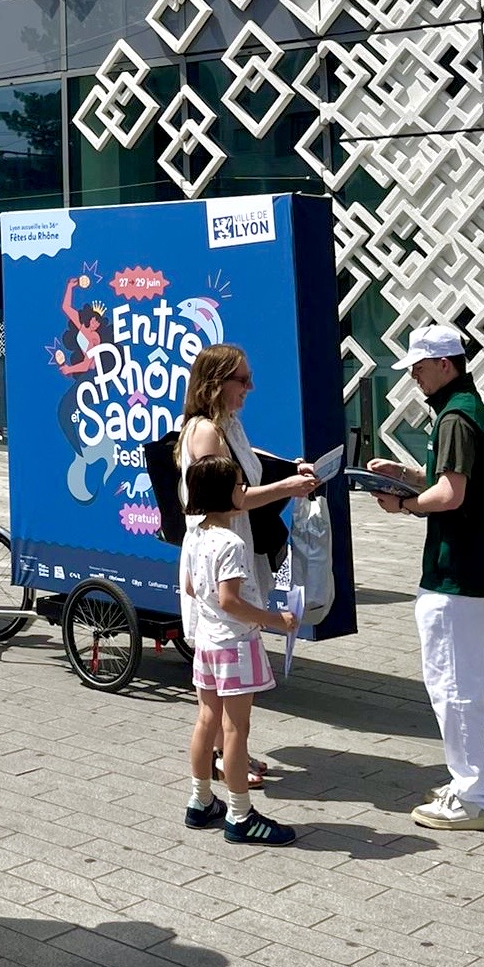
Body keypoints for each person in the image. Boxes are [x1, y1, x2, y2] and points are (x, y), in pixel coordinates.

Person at [369, 324, 484, 832]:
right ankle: (483, 786)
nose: (413, 377)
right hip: (482, 568)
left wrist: (403, 503)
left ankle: (473, 796)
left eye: (419, 368)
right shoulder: (470, 409)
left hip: (456, 572)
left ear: (445, 364)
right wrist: (407, 475)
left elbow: (449, 495)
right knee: (478, 685)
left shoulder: (454, 416)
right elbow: (453, 482)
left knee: (454, 687)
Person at [175, 344, 317, 786]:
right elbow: (229, 498)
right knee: (224, 679)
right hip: (217, 548)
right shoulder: (205, 433)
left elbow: (249, 464)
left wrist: (288, 468)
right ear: (216, 383)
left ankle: (224, 761)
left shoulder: (226, 425)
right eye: (242, 379)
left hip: (227, 546)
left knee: (218, 689)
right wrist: (289, 488)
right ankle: (224, 765)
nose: (250, 388)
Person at [181, 456, 299, 845]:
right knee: (236, 730)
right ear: (223, 494)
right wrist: (274, 619)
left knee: (206, 721)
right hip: (235, 643)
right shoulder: (231, 543)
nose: (242, 492)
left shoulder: (194, 534)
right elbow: (231, 600)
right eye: (237, 486)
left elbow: (192, 588)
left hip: (207, 642)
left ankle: (200, 801)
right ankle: (240, 813)